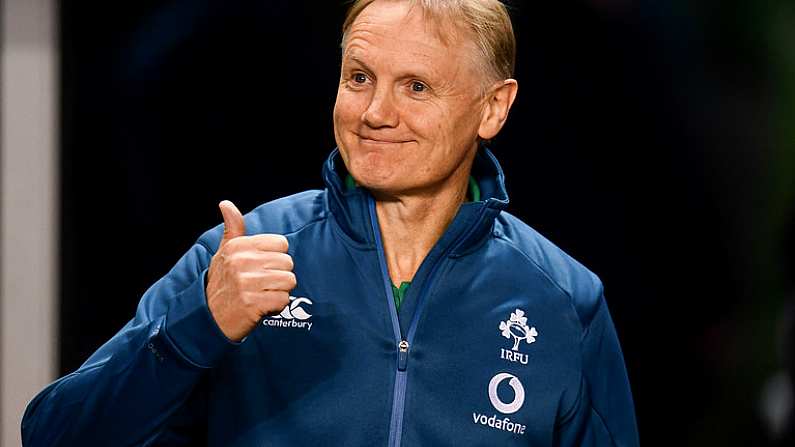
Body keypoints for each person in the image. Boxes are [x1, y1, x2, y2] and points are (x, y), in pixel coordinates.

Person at [22, 0, 639, 445]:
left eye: (416, 87)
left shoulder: (564, 300)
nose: (375, 113)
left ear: (494, 108)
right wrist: (197, 329)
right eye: (360, 78)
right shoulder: (242, 254)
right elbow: (53, 432)